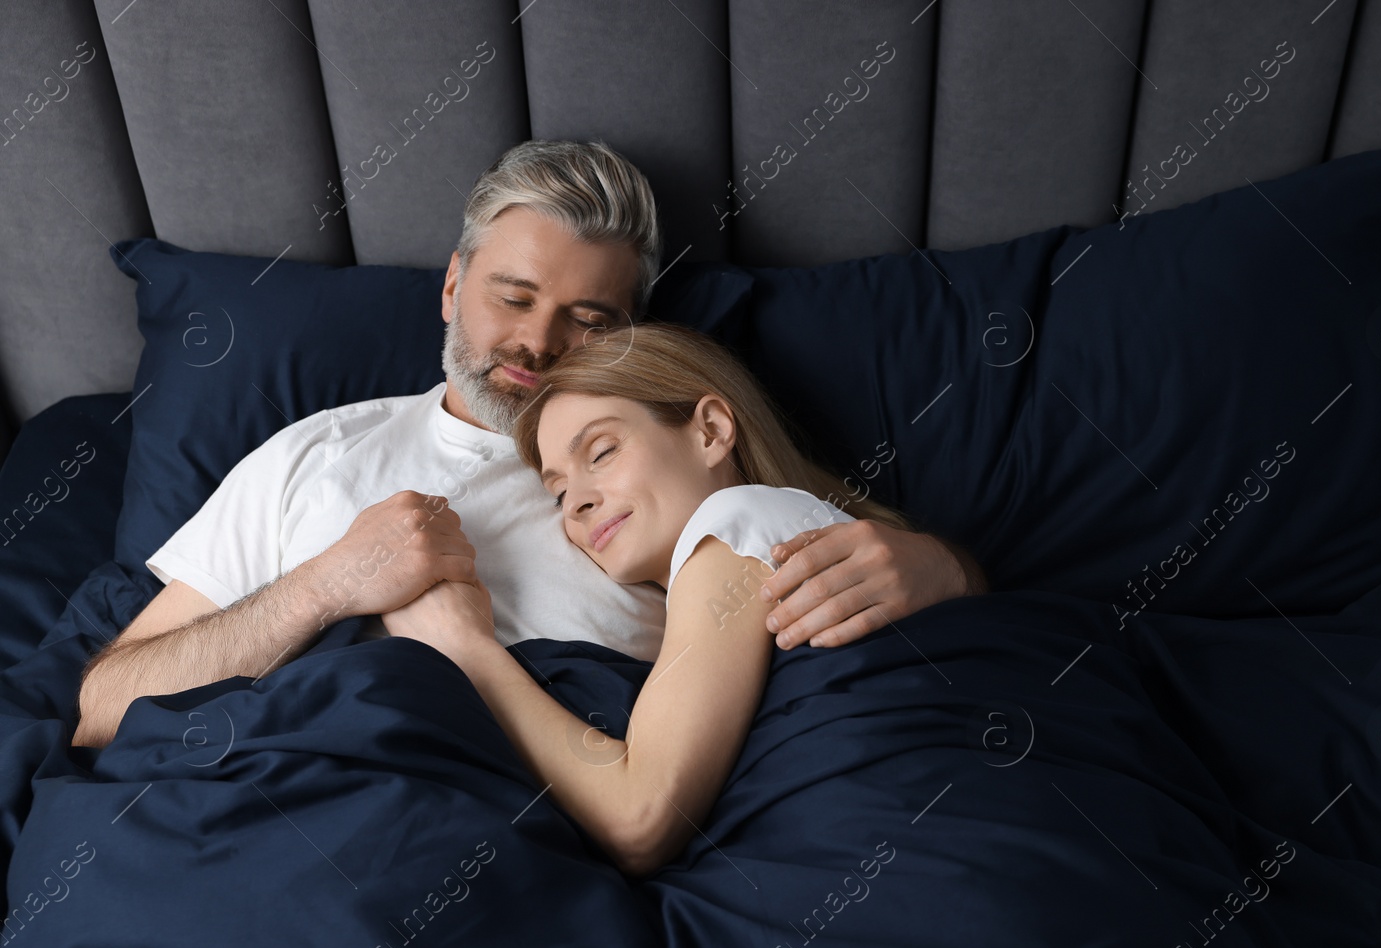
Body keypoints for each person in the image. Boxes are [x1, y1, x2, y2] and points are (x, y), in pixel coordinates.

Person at [73, 140, 986, 749]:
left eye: (589, 320)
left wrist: (942, 570)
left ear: (635, 335)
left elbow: (815, 560)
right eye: (512, 298)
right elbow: (103, 710)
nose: (539, 344)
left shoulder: (663, 476)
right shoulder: (314, 453)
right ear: (451, 287)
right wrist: (330, 583)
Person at [380, 323, 921, 878]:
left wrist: (465, 651)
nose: (578, 504)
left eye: (604, 451)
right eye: (559, 491)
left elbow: (639, 821)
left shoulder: (735, 524)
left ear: (709, 430)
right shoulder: (771, 536)